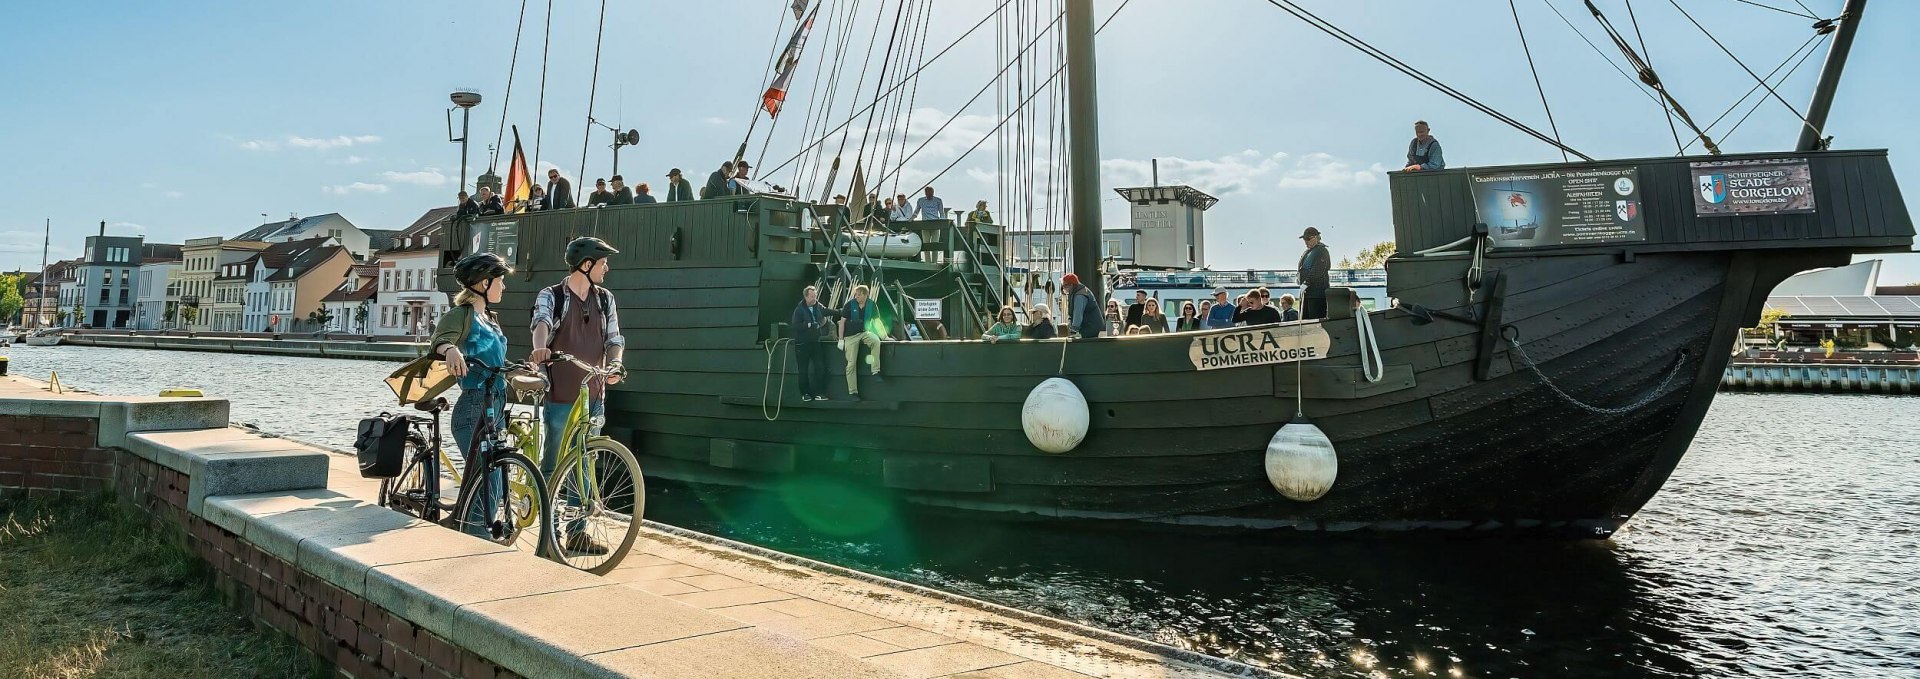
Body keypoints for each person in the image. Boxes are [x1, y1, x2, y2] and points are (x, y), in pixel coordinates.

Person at [526, 236, 626, 555]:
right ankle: (548, 529)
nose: (607, 268)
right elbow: (540, 323)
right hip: (560, 391)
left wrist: (616, 364)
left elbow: (614, 338)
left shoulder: (605, 299)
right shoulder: (553, 295)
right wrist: (540, 348)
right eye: (603, 263)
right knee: (554, 461)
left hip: (594, 391)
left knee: (585, 460)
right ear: (587, 264)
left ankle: (578, 532)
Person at [431, 253, 513, 538]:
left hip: (495, 403)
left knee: (499, 478)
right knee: (486, 477)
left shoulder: (490, 318)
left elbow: (495, 361)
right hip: (473, 406)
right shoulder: (462, 315)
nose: (503, 286)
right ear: (483, 283)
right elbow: (440, 341)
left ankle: (477, 530)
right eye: (499, 281)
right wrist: (450, 350)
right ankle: (477, 537)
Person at [789, 285, 841, 401]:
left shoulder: (818, 306)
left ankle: (819, 393)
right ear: (806, 297)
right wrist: (808, 325)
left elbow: (826, 311)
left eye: (815, 296)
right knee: (803, 370)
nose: (814, 298)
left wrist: (839, 312)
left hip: (815, 343)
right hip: (802, 344)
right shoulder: (799, 309)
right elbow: (795, 325)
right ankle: (805, 393)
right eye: (812, 296)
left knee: (820, 368)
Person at [839, 284, 884, 398]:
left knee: (875, 341)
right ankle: (853, 391)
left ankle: (875, 371)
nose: (856, 296)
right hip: (850, 336)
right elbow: (842, 322)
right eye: (856, 294)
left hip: (864, 332)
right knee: (851, 364)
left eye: (859, 295)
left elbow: (877, 321)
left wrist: (884, 336)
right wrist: (840, 339)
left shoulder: (871, 305)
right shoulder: (849, 305)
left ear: (865, 295)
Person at [1298, 227, 1331, 320]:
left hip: (1317, 294)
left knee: (1315, 321)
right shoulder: (1308, 252)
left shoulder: (1322, 251)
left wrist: (1306, 282)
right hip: (1307, 293)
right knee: (1305, 321)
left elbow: (1318, 269)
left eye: (1308, 239)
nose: (1306, 241)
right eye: (1305, 239)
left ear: (1316, 237)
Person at [1061, 274, 1102, 338]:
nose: (1064, 288)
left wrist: (1074, 330)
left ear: (1071, 285)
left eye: (1065, 286)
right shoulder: (1080, 292)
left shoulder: (1080, 296)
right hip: (1090, 329)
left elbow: (1078, 314)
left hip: (1091, 330)